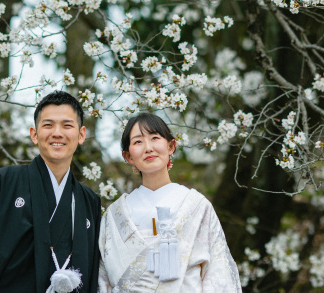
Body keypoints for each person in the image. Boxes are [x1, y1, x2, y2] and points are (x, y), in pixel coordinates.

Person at [0, 91, 102, 293]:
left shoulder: (89, 200)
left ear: (81, 134)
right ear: (34, 134)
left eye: (67, 125)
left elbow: (93, 277)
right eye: (48, 125)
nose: (57, 133)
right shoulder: (3, 183)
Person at [98, 112, 242, 292]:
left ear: (171, 146)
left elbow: (218, 274)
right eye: (138, 142)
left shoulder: (196, 206)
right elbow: (102, 279)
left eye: (155, 138)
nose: (148, 147)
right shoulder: (115, 215)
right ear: (128, 156)